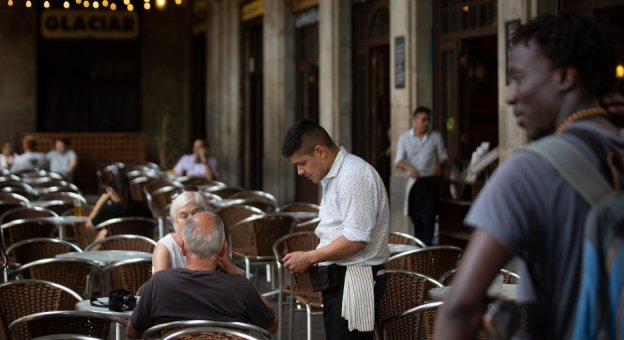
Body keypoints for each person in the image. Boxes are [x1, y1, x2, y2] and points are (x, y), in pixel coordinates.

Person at [435, 14, 624, 339]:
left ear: (565, 77)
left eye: (517, 77)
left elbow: (460, 307)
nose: (509, 95)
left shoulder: (528, 170)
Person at [281, 119, 390, 340]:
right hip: (340, 276)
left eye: (302, 163)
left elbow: (356, 239)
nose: (300, 172)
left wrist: (310, 256)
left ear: (320, 151)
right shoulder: (334, 174)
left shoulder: (353, 175)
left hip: (356, 278)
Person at [127, 211, 278, 338]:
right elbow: (272, 325)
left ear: (184, 248)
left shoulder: (159, 283)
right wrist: (235, 271)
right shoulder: (241, 287)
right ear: (224, 249)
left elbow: (133, 331)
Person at [152, 187, 243, 275]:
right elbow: (159, 285)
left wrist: (227, 266)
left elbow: (232, 276)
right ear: (175, 221)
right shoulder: (165, 248)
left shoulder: (214, 240)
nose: (191, 220)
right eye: (183, 216)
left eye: (196, 213)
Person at [395, 106, 448, 245]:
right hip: (415, 183)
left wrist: (439, 165)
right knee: (416, 219)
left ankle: (428, 250)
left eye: (428, 120)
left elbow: (444, 156)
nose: (426, 123)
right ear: (414, 120)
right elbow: (398, 161)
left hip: (430, 182)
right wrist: (409, 168)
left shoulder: (436, 137)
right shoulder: (404, 138)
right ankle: (418, 251)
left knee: (429, 218)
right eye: (423, 120)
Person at [85, 168, 151, 247]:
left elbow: (88, 226)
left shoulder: (110, 211)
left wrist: (99, 203)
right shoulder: (143, 207)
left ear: (110, 190)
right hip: (141, 250)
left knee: (104, 232)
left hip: (115, 252)